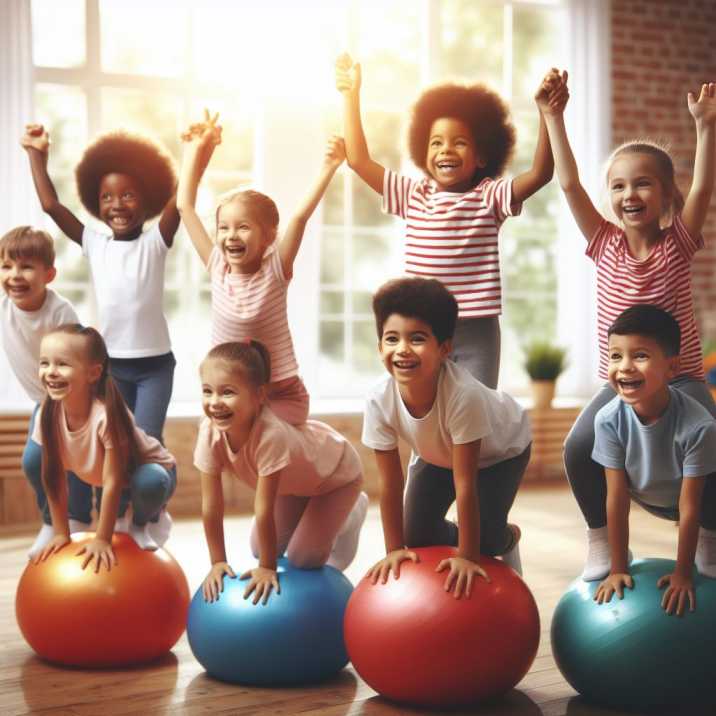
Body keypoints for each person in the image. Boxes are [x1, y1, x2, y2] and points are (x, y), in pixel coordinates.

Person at [538, 72, 716, 579]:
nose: (629, 194)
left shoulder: (678, 244)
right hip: (623, 380)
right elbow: (569, 183)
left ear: (666, 197)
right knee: (577, 447)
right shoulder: (603, 243)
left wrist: (705, 128)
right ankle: (599, 539)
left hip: (680, 378)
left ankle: (709, 535)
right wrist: (554, 117)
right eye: (618, 185)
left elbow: (703, 184)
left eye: (643, 184)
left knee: (715, 441)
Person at [336, 55, 562, 388]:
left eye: (460, 142)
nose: (446, 150)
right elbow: (357, 160)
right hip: (422, 329)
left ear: (482, 156)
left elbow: (542, 173)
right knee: (425, 420)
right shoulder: (412, 194)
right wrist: (351, 97)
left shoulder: (489, 196)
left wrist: (547, 114)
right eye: (436, 142)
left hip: (476, 332)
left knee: (475, 420)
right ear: (423, 152)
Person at [361, 277, 531, 599]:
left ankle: (505, 538)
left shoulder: (463, 395)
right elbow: (390, 483)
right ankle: (473, 533)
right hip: (438, 454)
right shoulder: (377, 400)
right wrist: (393, 550)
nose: (402, 350)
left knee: (485, 542)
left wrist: (468, 556)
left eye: (418, 338)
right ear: (380, 346)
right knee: (417, 534)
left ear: (444, 349)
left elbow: (464, 483)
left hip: (500, 453)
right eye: (392, 338)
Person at [177, 112, 345, 424]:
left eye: (242, 227)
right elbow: (184, 206)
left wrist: (330, 167)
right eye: (223, 228)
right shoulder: (218, 266)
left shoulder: (275, 269)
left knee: (266, 442)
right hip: (230, 391)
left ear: (268, 237)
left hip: (280, 394)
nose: (230, 236)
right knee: (216, 444)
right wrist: (193, 149)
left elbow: (298, 218)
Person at [20, 123, 179, 444]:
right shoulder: (94, 243)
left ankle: (155, 492)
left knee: (147, 443)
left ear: (147, 200)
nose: (117, 204)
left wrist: (200, 153)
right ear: (97, 203)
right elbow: (51, 205)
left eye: (128, 195)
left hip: (155, 367)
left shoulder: (156, 242)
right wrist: (37, 155)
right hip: (110, 367)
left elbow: (181, 199)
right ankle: (116, 497)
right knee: (115, 445)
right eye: (107, 197)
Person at [195, 340, 367, 604]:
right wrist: (217, 562)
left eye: (227, 392)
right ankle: (310, 514)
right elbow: (211, 506)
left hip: (336, 476)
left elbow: (263, 510)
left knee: (303, 557)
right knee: (259, 548)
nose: (215, 402)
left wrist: (267, 568)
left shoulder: (270, 434)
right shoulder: (209, 432)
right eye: (207, 391)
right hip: (295, 485)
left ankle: (353, 510)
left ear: (259, 395)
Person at [591, 305, 716, 616]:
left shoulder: (698, 426)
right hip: (648, 493)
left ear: (672, 368)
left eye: (640, 356)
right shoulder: (608, 419)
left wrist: (683, 573)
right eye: (616, 356)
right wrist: (618, 567)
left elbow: (690, 507)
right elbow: (617, 498)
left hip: (699, 499)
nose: (625, 367)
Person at [32, 324, 177, 567]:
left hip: (153, 473)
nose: (51, 372)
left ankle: (147, 520)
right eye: (44, 363)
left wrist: (102, 538)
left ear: (93, 373)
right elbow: (54, 475)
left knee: (150, 481)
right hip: (112, 477)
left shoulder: (106, 417)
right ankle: (128, 517)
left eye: (62, 364)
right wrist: (60, 532)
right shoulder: (47, 414)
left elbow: (113, 481)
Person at [0, 226, 92, 557]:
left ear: (48, 274)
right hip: (44, 402)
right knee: (34, 462)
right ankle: (52, 521)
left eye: (26, 267)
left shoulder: (59, 312)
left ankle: (79, 518)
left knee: (75, 460)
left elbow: (78, 357)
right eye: (7, 266)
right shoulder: (4, 309)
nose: (14, 275)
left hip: (75, 399)